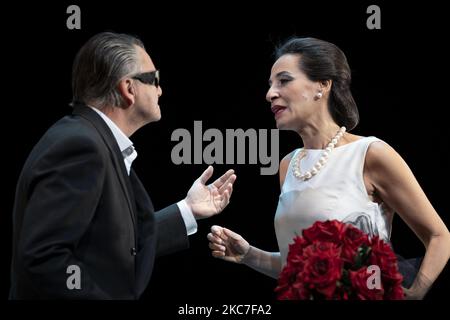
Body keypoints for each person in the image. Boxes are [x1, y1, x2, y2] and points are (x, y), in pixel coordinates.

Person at [207, 37, 450, 299]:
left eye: (284, 80)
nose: (270, 94)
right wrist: (249, 255)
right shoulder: (288, 165)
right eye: (270, 85)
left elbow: (438, 236)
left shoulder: (370, 153)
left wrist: (415, 293)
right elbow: (301, 269)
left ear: (322, 85)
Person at [9, 32, 236, 299]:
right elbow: (44, 260)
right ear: (129, 89)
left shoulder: (92, 140)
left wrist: (187, 210)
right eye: (155, 80)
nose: (160, 90)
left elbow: (116, 246)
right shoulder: (82, 147)